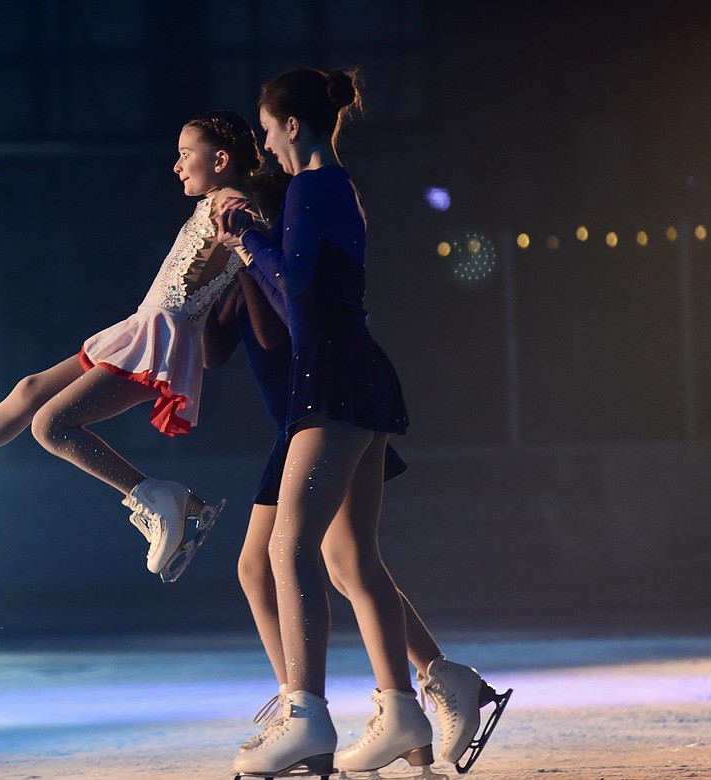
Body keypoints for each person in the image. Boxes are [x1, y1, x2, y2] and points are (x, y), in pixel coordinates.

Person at [0, 110, 268, 584]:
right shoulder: (218, 199)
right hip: (145, 327)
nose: (176, 165)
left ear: (219, 159)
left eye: (184, 154)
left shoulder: (231, 203)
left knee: (50, 425)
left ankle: (157, 496)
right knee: (30, 390)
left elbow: (253, 241)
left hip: (160, 337)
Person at [216, 67, 488, 778]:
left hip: (334, 377)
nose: (266, 145)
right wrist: (257, 246)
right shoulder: (330, 189)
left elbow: (297, 289)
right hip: (351, 372)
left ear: (292, 125)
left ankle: (306, 716)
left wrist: (249, 239)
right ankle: (411, 702)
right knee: (349, 558)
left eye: (269, 130)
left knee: (288, 551)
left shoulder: (314, 187)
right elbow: (297, 289)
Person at [202, 276, 510, 774]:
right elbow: (213, 352)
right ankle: (439, 681)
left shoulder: (265, 253)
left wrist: (241, 257)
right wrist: (199, 285)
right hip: (313, 413)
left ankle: (306, 714)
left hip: (324, 408)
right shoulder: (245, 261)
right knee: (342, 561)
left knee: (280, 563)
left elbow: (274, 338)